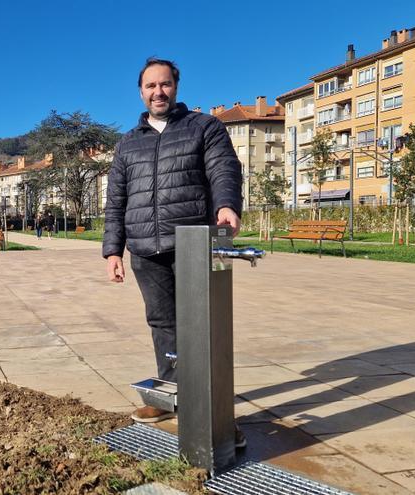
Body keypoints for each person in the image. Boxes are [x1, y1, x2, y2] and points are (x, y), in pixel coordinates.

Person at [102, 58, 244, 445]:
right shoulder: (128, 143)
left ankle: (216, 417)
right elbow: (116, 200)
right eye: (150, 86)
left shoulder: (204, 127)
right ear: (141, 91)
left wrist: (227, 205)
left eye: (164, 85)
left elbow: (224, 170)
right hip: (146, 250)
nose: (158, 92)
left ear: (176, 87)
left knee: (203, 327)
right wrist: (113, 250)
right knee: (162, 323)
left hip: (193, 243)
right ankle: (168, 395)